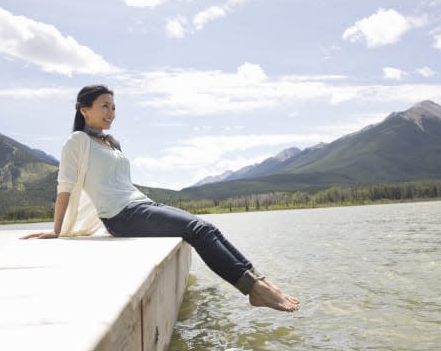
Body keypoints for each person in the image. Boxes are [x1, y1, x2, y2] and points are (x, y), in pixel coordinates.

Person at [22, 85, 300, 312]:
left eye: (114, 107)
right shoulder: (77, 141)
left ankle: (259, 281)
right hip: (121, 215)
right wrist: (57, 230)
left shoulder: (112, 143)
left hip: (140, 204)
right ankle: (255, 289)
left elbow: (122, 182)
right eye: (104, 106)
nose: (111, 112)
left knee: (207, 226)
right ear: (84, 110)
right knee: (198, 229)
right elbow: (65, 186)